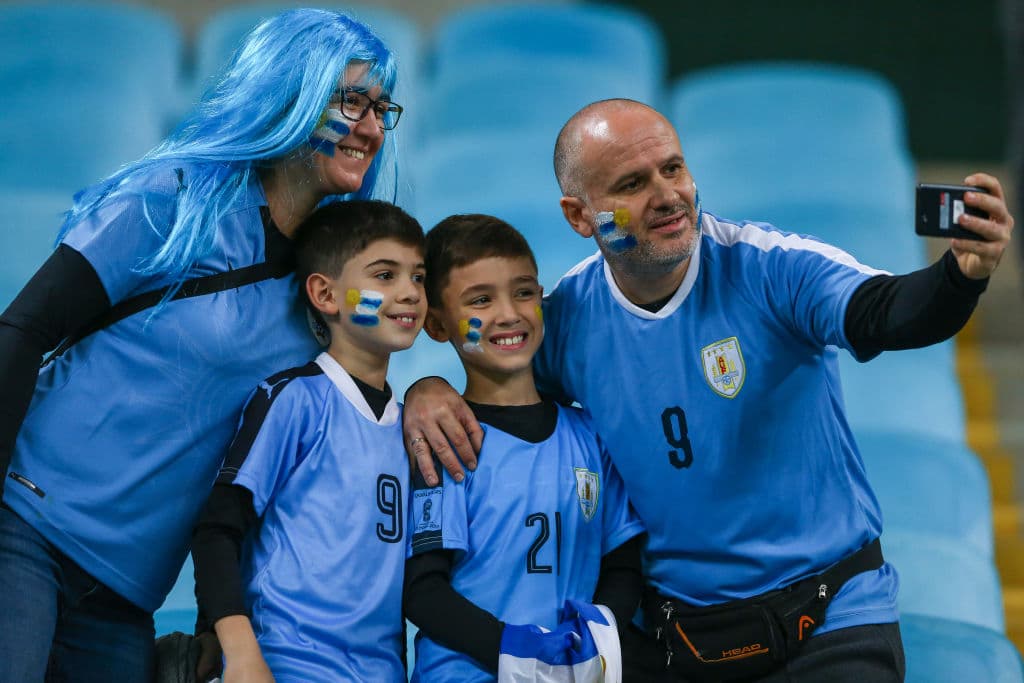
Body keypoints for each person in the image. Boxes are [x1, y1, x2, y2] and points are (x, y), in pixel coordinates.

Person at [403, 99, 1015, 682]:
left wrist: (959, 277)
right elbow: (497, 384)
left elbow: (885, 312)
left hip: (830, 619)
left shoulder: (768, 265)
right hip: (675, 641)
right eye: (632, 184)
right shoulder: (566, 318)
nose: (668, 195)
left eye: (673, 168)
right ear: (579, 215)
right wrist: (426, 390)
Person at [0, 8, 405, 681]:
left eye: (380, 108)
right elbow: (23, 330)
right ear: (290, 91)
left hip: (128, 591)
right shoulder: (173, 198)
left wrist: (218, 616)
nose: (369, 127)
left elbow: (272, 459)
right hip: (26, 528)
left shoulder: (327, 284)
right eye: (351, 101)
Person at [402, 214, 646, 682]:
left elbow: (623, 565)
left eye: (524, 292)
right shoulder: (445, 441)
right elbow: (422, 590)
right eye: (480, 300)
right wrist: (513, 651)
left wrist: (595, 637)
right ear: (436, 324)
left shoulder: (591, 437)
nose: (509, 313)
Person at [190, 199, 425, 682]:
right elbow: (217, 529)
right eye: (384, 275)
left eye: (418, 277)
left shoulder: (412, 430)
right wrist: (240, 653)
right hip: (284, 665)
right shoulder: (296, 400)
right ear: (325, 294)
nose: (409, 293)